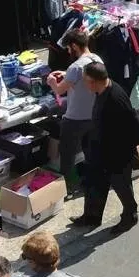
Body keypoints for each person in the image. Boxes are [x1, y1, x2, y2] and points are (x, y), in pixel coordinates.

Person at [73, 62, 139, 229]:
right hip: (99, 151)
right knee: (94, 185)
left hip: (117, 154)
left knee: (122, 186)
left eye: (85, 81)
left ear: (94, 81)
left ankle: (130, 215)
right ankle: (91, 217)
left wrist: (132, 149)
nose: (84, 84)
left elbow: (133, 124)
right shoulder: (101, 90)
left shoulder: (116, 98)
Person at [46, 30, 100, 189]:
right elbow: (83, 79)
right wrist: (66, 74)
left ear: (75, 46)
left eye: (69, 48)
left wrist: (51, 81)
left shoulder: (75, 67)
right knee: (89, 151)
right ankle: (89, 179)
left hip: (75, 119)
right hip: (93, 115)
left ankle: (68, 186)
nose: (68, 52)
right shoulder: (97, 59)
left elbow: (59, 90)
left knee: (67, 154)